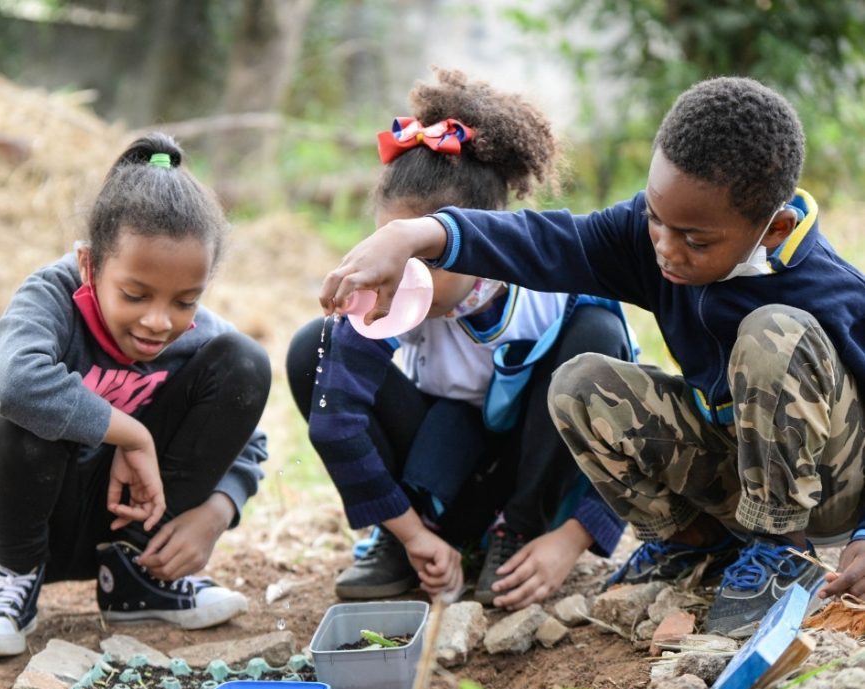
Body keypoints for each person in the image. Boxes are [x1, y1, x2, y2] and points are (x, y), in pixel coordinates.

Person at [320, 75, 865, 638]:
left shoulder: (830, 289)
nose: (665, 248)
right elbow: (547, 241)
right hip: (735, 472)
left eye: (695, 241)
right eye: (655, 217)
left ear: (771, 229)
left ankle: (783, 553)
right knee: (580, 384)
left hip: (829, 493)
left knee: (772, 332)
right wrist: (419, 236)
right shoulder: (649, 241)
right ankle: (694, 544)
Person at [287, 69, 632, 607]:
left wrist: (570, 540)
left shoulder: (554, 286)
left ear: (481, 236)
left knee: (598, 336)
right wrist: (410, 534)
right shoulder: (389, 295)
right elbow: (334, 420)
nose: (402, 274)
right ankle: (414, 539)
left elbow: (630, 434)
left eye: (422, 254)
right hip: (443, 469)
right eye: (391, 248)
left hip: (531, 479)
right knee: (316, 348)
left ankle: (515, 535)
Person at [0, 132, 270, 659]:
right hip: (12, 515)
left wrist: (218, 511)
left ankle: (136, 579)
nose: (160, 321)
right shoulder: (51, 297)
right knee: (28, 413)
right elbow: (16, 381)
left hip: (122, 523)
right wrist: (130, 433)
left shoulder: (197, 335)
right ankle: (9, 586)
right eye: (135, 295)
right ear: (90, 266)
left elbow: (247, 439)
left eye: (186, 300)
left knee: (245, 362)